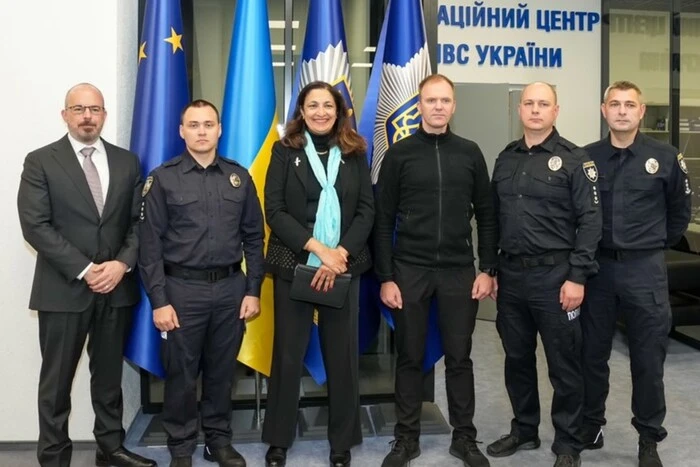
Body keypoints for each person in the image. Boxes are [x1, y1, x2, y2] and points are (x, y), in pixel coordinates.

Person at [17, 83, 155, 467]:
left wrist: (121, 264)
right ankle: (54, 457)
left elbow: (138, 224)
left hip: (116, 287)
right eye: (78, 109)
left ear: (104, 114)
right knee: (56, 383)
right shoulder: (41, 161)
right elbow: (35, 225)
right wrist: (85, 269)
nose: (87, 116)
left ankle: (111, 449)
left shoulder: (128, 162)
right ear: (65, 115)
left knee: (109, 378)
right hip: (63, 290)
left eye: (94, 109)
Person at [374, 73, 498, 467]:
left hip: (459, 271)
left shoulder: (470, 152)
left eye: (445, 100)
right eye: (431, 100)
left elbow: (488, 215)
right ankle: (406, 438)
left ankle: (464, 437)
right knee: (409, 356)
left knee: (460, 357)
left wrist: (487, 268)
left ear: (453, 106)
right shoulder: (400, 154)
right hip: (409, 269)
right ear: (420, 106)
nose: (438, 107)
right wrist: (386, 276)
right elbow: (382, 218)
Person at [139, 99, 264, 467]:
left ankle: (217, 441)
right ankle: (181, 448)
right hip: (181, 291)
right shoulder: (163, 178)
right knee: (181, 374)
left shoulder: (238, 177)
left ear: (219, 129)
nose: (202, 131)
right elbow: (149, 246)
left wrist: (253, 290)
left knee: (222, 372)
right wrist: (159, 301)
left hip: (230, 289)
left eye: (208, 124)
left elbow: (254, 238)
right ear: (182, 131)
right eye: (193, 125)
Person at [487, 82, 602, 467]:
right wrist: (492, 269)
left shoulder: (575, 160)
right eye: (529, 103)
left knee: (563, 363)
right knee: (516, 358)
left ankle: (567, 442)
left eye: (544, 104)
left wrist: (578, 277)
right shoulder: (506, 158)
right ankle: (524, 429)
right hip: (512, 277)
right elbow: (492, 219)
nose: (536, 110)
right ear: (520, 109)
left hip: (557, 277)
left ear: (556, 111)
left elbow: (590, 222)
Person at [261, 81, 373, 467]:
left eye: (328, 105)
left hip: (343, 266)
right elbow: (274, 211)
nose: (321, 112)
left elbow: (367, 211)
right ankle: (278, 440)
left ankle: (341, 442)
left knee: (341, 358)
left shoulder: (355, 152)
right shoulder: (284, 151)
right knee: (288, 356)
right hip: (295, 262)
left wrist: (338, 254)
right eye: (313, 105)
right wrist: (318, 250)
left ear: (339, 111)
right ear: (302, 111)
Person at [580, 81, 691, 467]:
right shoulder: (586, 159)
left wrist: (652, 243)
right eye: (615, 104)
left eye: (630, 105)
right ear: (603, 110)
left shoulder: (665, 156)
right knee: (591, 355)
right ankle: (591, 426)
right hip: (598, 270)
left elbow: (679, 213)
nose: (622, 111)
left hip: (645, 269)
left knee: (647, 358)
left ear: (641, 112)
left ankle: (648, 438)